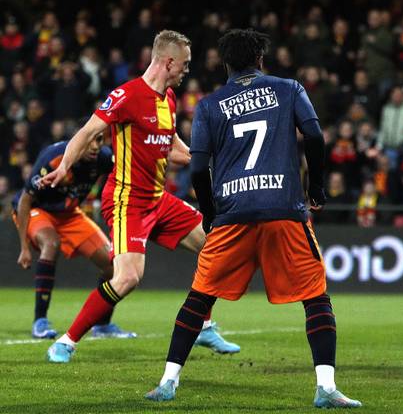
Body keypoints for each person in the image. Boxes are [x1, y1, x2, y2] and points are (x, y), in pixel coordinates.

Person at [144, 29, 361, 408]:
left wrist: (212, 216)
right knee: (315, 298)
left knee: (199, 298)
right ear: (260, 60)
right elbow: (314, 135)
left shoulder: (210, 105)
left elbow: (197, 170)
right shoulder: (289, 88)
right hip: (284, 210)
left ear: (225, 64)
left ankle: (167, 381)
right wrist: (318, 189)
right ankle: (326, 388)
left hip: (232, 215)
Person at [41, 30, 239, 363]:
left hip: (158, 199)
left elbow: (172, 148)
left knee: (216, 246)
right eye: (185, 64)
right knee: (128, 278)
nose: (188, 71)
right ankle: (67, 340)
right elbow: (87, 132)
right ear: (169, 61)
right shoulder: (127, 95)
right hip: (126, 199)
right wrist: (63, 168)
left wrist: (208, 159)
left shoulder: (170, 100)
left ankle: (203, 323)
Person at [14, 136, 135, 339]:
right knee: (51, 243)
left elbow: (125, 178)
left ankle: (102, 325)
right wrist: (24, 247)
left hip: (70, 214)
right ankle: (40, 321)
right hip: (38, 210)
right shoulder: (53, 158)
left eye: (99, 140)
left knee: (113, 264)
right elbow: (25, 200)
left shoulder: (104, 158)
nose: (96, 146)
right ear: (78, 141)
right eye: (90, 141)